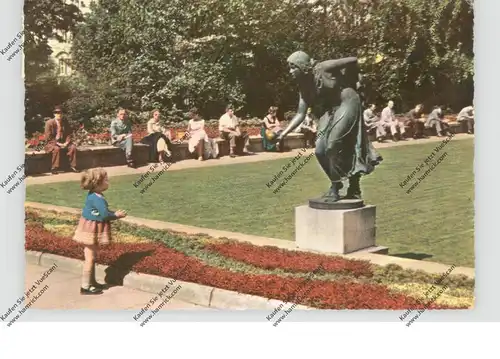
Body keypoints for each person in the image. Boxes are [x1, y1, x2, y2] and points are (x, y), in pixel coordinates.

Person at [276, 51, 382, 201]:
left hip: (348, 100)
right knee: (320, 150)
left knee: (333, 144)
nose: (290, 71)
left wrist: (354, 82)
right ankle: (337, 184)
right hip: (331, 109)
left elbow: (353, 60)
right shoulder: (304, 87)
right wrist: (283, 134)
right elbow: (300, 114)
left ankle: (347, 185)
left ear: (303, 66)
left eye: (293, 67)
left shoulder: (324, 68)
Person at [72, 168, 128, 295]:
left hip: (90, 228)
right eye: (106, 180)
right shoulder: (98, 198)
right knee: (90, 258)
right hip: (91, 230)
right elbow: (104, 215)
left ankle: (91, 283)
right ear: (98, 183)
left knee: (91, 257)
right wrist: (117, 215)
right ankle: (85, 286)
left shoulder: (94, 195)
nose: (108, 182)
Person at [43, 106, 78, 175]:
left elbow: (69, 134)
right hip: (51, 143)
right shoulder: (49, 123)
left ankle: (72, 166)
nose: (59, 114)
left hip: (63, 142)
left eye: (60, 113)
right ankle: (54, 168)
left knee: (73, 147)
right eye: (57, 113)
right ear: (54, 114)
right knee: (56, 149)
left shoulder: (65, 122)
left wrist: (66, 142)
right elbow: (48, 137)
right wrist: (58, 144)